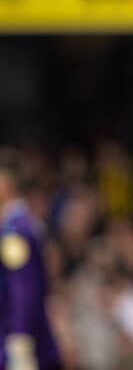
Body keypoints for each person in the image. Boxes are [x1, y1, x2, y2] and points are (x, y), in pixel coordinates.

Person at [0, 149, 62, 370]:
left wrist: (20, 339)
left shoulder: (14, 231)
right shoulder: (19, 224)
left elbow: (23, 288)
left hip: (18, 341)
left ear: (6, 183)